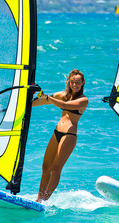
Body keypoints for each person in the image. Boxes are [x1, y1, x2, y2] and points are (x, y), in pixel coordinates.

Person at [32, 69, 88, 203]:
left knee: (56, 169)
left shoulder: (83, 100)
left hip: (69, 135)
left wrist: (47, 97)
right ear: (69, 82)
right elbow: (43, 101)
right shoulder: (62, 95)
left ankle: (45, 200)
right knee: (46, 167)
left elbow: (63, 105)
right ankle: (38, 199)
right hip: (56, 132)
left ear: (82, 83)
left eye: (78, 83)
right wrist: (25, 103)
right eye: (73, 82)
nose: (75, 85)